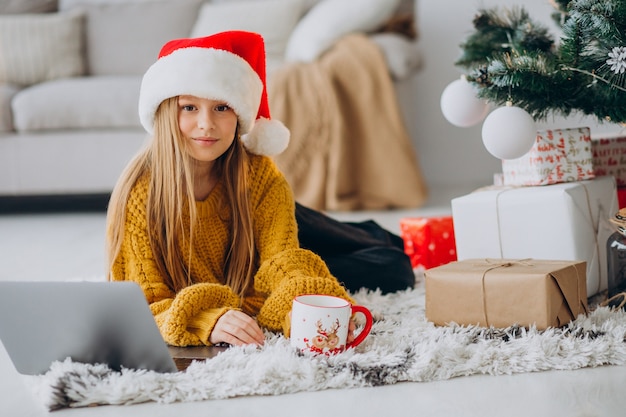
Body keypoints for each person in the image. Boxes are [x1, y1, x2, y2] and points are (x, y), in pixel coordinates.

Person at [105, 31, 358, 348]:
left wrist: (302, 308)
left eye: (221, 108)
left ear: (239, 115)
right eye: (189, 108)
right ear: (167, 112)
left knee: (388, 266)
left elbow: (284, 259)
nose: (206, 124)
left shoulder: (261, 176)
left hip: (278, 226)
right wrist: (205, 319)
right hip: (259, 246)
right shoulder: (140, 191)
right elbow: (143, 302)